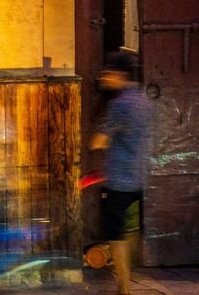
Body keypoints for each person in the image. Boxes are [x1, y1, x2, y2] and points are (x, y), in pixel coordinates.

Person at [90, 49, 153, 295]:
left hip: (117, 180)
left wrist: (95, 138)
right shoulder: (146, 102)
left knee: (115, 235)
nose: (105, 77)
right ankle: (130, 278)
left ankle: (124, 288)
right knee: (131, 230)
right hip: (139, 177)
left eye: (109, 73)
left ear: (120, 74)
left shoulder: (118, 105)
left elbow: (100, 141)